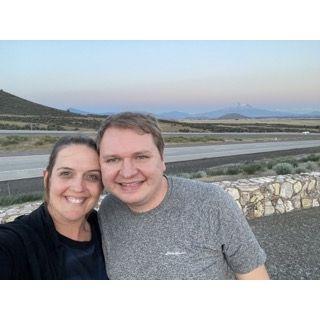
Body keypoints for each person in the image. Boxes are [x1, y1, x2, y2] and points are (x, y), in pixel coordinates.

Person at [97, 112, 269, 280]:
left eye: (141, 157)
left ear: (162, 159)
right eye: (113, 159)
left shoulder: (211, 203)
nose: (127, 173)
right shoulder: (108, 209)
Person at [0, 136, 108, 280]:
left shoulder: (107, 229)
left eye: (92, 176)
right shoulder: (15, 242)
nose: (78, 187)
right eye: (66, 173)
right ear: (47, 179)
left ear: (101, 186)